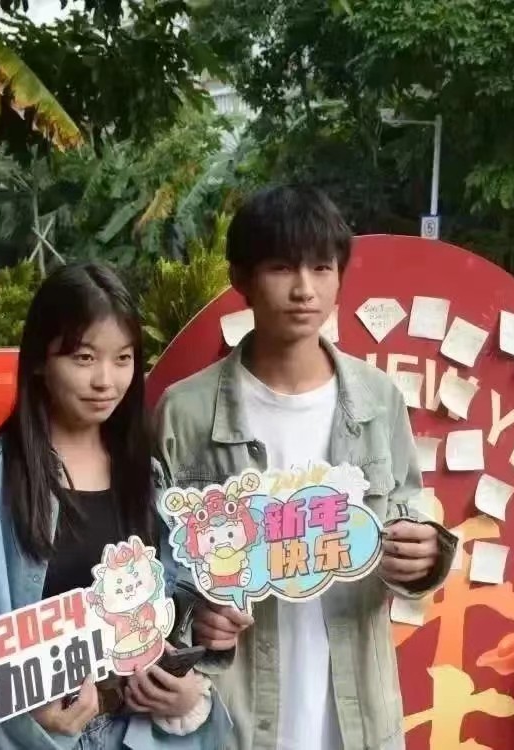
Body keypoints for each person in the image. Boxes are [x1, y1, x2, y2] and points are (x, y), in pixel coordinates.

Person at [152, 185, 459, 750]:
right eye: (280, 267)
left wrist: (423, 554)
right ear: (241, 278)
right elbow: (153, 567)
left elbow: (407, 517)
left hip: (356, 712)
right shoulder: (185, 412)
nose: (304, 289)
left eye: (321, 267)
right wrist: (195, 614)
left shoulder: (377, 400)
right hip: (236, 716)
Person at [0, 262, 231, 750]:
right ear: (40, 360)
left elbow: (168, 617)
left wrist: (186, 682)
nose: (106, 380)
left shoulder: (148, 478)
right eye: (83, 357)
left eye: (123, 358)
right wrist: (22, 703)